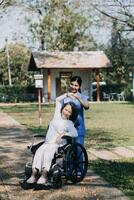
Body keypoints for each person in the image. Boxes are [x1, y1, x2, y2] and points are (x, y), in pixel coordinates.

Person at [26, 101, 78, 185]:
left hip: (57, 144)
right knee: (39, 152)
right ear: (62, 109)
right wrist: (67, 94)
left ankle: (44, 175)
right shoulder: (56, 117)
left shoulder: (69, 123)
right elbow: (58, 100)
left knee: (48, 153)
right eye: (65, 109)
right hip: (47, 143)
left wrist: (64, 134)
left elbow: (75, 133)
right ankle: (33, 175)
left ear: (71, 114)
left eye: (69, 112)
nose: (66, 112)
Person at [56, 76, 89, 145]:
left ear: (79, 86)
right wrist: (66, 95)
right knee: (67, 150)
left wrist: (78, 97)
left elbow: (87, 107)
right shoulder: (65, 97)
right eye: (72, 84)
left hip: (79, 127)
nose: (73, 87)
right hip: (66, 128)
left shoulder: (82, 96)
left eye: (76, 85)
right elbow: (57, 103)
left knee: (78, 149)